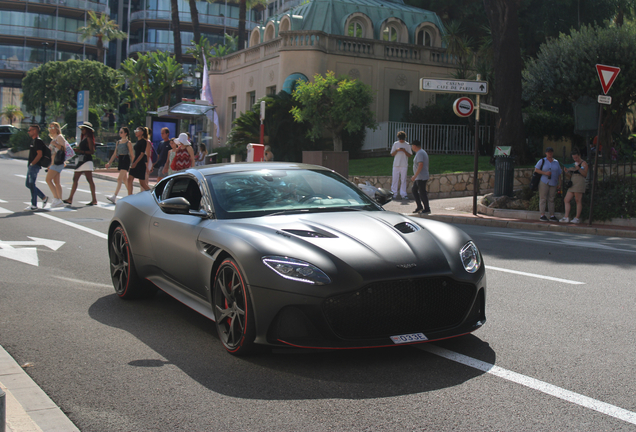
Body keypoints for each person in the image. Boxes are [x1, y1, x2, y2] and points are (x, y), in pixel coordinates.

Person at [64, 122, 98, 206]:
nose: (81, 130)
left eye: (83, 129)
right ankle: (71, 198)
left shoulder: (89, 138)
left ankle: (94, 200)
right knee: (78, 179)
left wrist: (80, 151)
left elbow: (92, 151)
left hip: (86, 160)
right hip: (83, 160)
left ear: (87, 130)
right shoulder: (84, 138)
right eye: (81, 129)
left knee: (87, 180)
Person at [105, 127, 134, 203]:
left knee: (119, 179)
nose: (120, 133)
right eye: (119, 132)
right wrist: (109, 162)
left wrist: (134, 164)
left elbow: (131, 154)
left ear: (125, 133)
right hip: (120, 160)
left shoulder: (128, 142)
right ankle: (131, 196)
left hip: (125, 160)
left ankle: (114, 196)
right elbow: (115, 153)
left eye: (121, 132)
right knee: (124, 180)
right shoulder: (118, 142)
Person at [560, 150, 588, 224]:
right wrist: (566, 171)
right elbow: (570, 175)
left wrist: (578, 168)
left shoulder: (584, 163)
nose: (575, 159)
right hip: (573, 181)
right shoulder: (574, 164)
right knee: (566, 199)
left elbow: (585, 174)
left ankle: (577, 218)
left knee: (577, 200)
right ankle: (566, 217)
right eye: (574, 158)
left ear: (579, 155)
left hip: (579, 181)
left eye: (576, 157)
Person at [24, 124, 48, 210]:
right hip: (32, 166)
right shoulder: (34, 141)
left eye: (30, 130)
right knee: (28, 184)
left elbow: (39, 154)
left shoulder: (37, 141)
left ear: (34, 131)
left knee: (31, 184)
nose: (28, 132)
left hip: (34, 166)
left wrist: (32, 164)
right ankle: (43, 197)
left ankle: (34, 205)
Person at [535, 146, 562, 222]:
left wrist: (560, 183)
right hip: (544, 181)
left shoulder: (556, 162)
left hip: (553, 182)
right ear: (546, 153)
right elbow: (536, 170)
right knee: (543, 198)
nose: (550, 153)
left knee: (551, 199)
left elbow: (559, 173)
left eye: (551, 152)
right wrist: (545, 173)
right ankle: (542, 214)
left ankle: (552, 215)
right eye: (548, 152)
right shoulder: (542, 161)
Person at [45, 122, 66, 208]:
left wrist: (55, 144)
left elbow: (63, 149)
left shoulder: (59, 137)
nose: (51, 129)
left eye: (53, 127)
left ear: (57, 128)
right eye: (50, 128)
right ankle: (59, 200)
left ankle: (56, 198)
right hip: (54, 162)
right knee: (56, 182)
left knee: (48, 180)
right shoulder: (54, 138)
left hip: (57, 162)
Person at [128, 126, 152, 192]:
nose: (136, 133)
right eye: (135, 131)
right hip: (135, 162)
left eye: (137, 131)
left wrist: (135, 163)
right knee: (129, 179)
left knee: (142, 183)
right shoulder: (137, 141)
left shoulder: (144, 142)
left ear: (142, 132)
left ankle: (152, 194)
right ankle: (130, 196)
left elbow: (142, 154)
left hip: (140, 164)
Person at [410, 140, 431, 214]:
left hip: (421, 177)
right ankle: (419, 206)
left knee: (422, 192)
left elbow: (420, 164)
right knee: (414, 190)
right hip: (419, 177)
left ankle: (427, 208)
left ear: (415, 146)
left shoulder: (420, 153)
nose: (411, 147)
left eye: (412, 145)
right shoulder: (420, 152)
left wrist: (415, 176)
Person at [390, 131, 412, 199]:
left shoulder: (407, 145)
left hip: (404, 165)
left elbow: (410, 155)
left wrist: (404, 151)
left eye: (402, 138)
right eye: (400, 138)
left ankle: (403, 194)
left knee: (403, 179)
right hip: (396, 164)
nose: (401, 140)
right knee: (395, 179)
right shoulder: (396, 144)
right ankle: (394, 194)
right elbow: (392, 154)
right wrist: (397, 150)